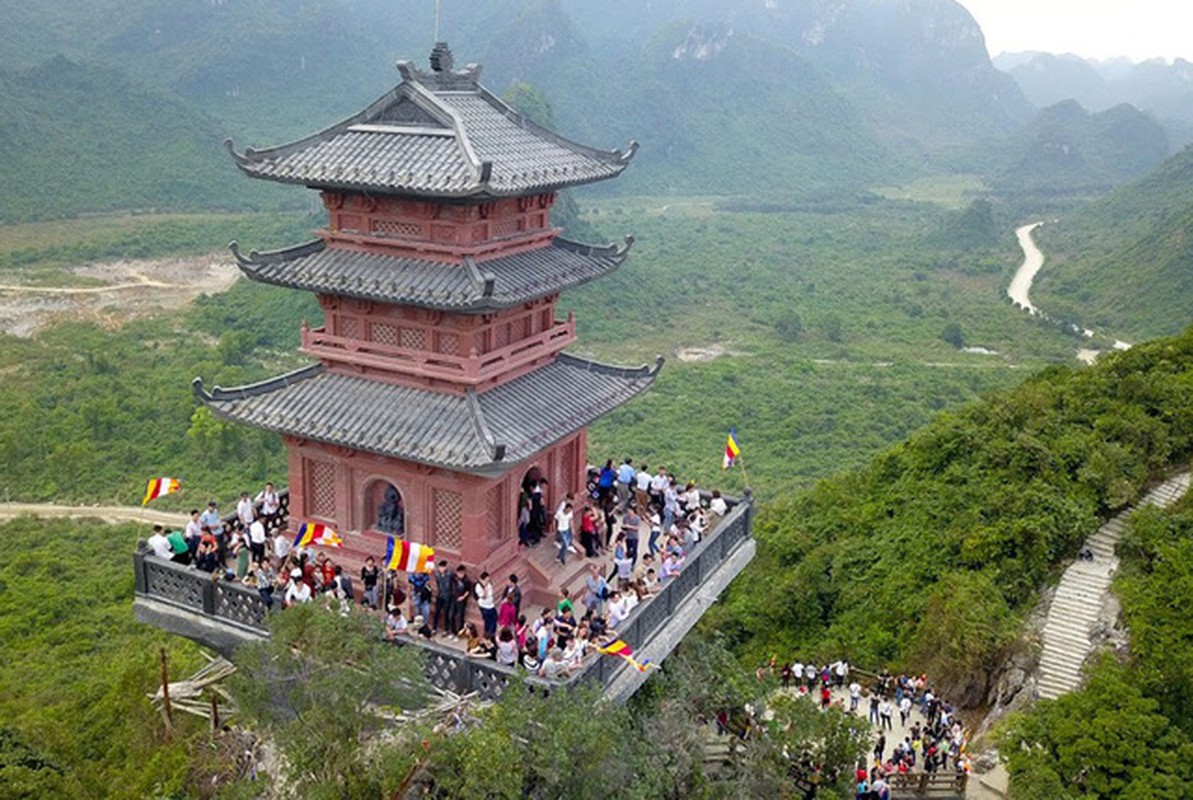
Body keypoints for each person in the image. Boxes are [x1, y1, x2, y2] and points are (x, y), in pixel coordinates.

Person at [433, 560, 455, 635]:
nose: (441, 569)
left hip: (447, 596)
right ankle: (434, 628)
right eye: (440, 567)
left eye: (443, 567)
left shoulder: (449, 574)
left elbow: (453, 583)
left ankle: (446, 629)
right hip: (440, 595)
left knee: (446, 613)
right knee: (436, 612)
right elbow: (438, 583)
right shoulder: (437, 575)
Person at [451, 565, 472, 635]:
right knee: (451, 615)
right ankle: (453, 631)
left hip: (462, 601)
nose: (461, 575)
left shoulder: (466, 581)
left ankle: (460, 631)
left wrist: (463, 597)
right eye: (459, 573)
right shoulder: (454, 578)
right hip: (454, 599)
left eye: (462, 573)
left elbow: (468, 591)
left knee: (460, 616)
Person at [475, 571, 497, 637]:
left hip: (491, 605)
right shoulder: (478, 586)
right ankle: (488, 634)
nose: (488, 581)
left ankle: (492, 633)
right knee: (488, 621)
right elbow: (484, 596)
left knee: (494, 618)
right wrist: (484, 588)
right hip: (484, 606)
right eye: (487, 580)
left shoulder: (489, 584)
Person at [554, 502, 574, 566]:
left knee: (565, 545)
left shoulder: (570, 514)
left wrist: (572, 529)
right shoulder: (559, 513)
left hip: (567, 530)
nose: (569, 512)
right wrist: (554, 529)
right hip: (560, 530)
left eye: (570, 510)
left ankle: (559, 556)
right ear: (565, 508)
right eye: (568, 510)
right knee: (565, 543)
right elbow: (554, 520)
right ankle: (563, 558)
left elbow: (570, 520)